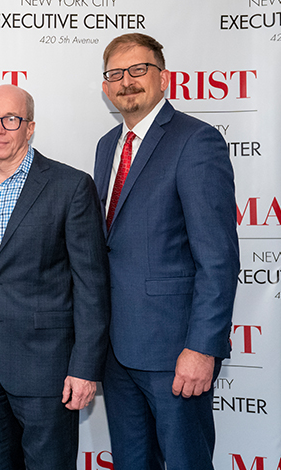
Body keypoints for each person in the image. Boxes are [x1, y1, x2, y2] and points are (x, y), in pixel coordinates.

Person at [95, 33, 239, 470]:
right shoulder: (107, 145)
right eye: (116, 74)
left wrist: (202, 348)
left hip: (175, 353)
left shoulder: (196, 141)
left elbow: (218, 259)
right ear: (105, 88)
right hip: (116, 352)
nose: (127, 81)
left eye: (138, 70)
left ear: (164, 78)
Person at [0, 84, 110, 470]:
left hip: (48, 370)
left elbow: (91, 285)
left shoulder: (70, 186)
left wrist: (84, 367)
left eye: (10, 119)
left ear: (30, 127)